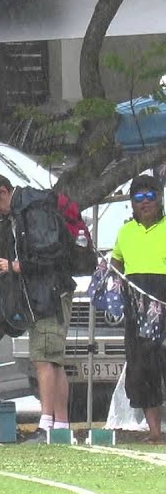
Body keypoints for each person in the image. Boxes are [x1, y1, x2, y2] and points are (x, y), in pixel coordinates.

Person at [0, 173, 76, 438]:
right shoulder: (18, 214)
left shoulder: (34, 209)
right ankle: (62, 427)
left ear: (3, 191)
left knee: (43, 359)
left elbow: (51, 256)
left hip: (51, 294)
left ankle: (46, 424)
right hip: (39, 295)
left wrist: (15, 266)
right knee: (53, 360)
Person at [111, 175, 166, 443]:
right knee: (143, 367)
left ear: (160, 198)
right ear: (132, 203)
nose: (145, 203)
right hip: (137, 307)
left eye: (150, 196)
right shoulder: (125, 232)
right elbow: (115, 262)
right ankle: (155, 431)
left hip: (163, 301)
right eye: (138, 198)